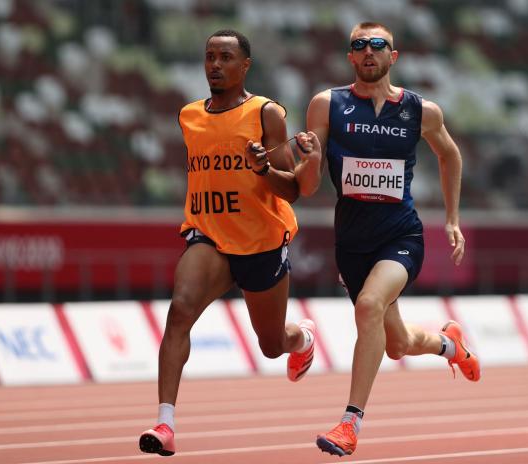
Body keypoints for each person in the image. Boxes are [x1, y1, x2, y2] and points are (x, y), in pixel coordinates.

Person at [299, 22, 481, 457]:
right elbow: (308, 182)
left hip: (402, 236)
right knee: (397, 343)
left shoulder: (421, 111)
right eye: (358, 46)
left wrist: (452, 219)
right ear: (350, 57)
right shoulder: (327, 105)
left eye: (377, 45)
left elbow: (450, 154)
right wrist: (306, 158)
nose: (367, 52)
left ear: (392, 57)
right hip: (352, 244)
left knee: (369, 305)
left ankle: (350, 423)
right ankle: (448, 344)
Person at [138, 29, 322, 457]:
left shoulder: (267, 113)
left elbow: (291, 190)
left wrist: (262, 169)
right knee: (179, 311)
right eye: (209, 57)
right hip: (209, 235)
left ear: (245, 66)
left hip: (260, 242)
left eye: (225, 57)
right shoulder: (188, 115)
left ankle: (302, 340)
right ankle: (165, 424)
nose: (215, 65)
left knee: (272, 345)